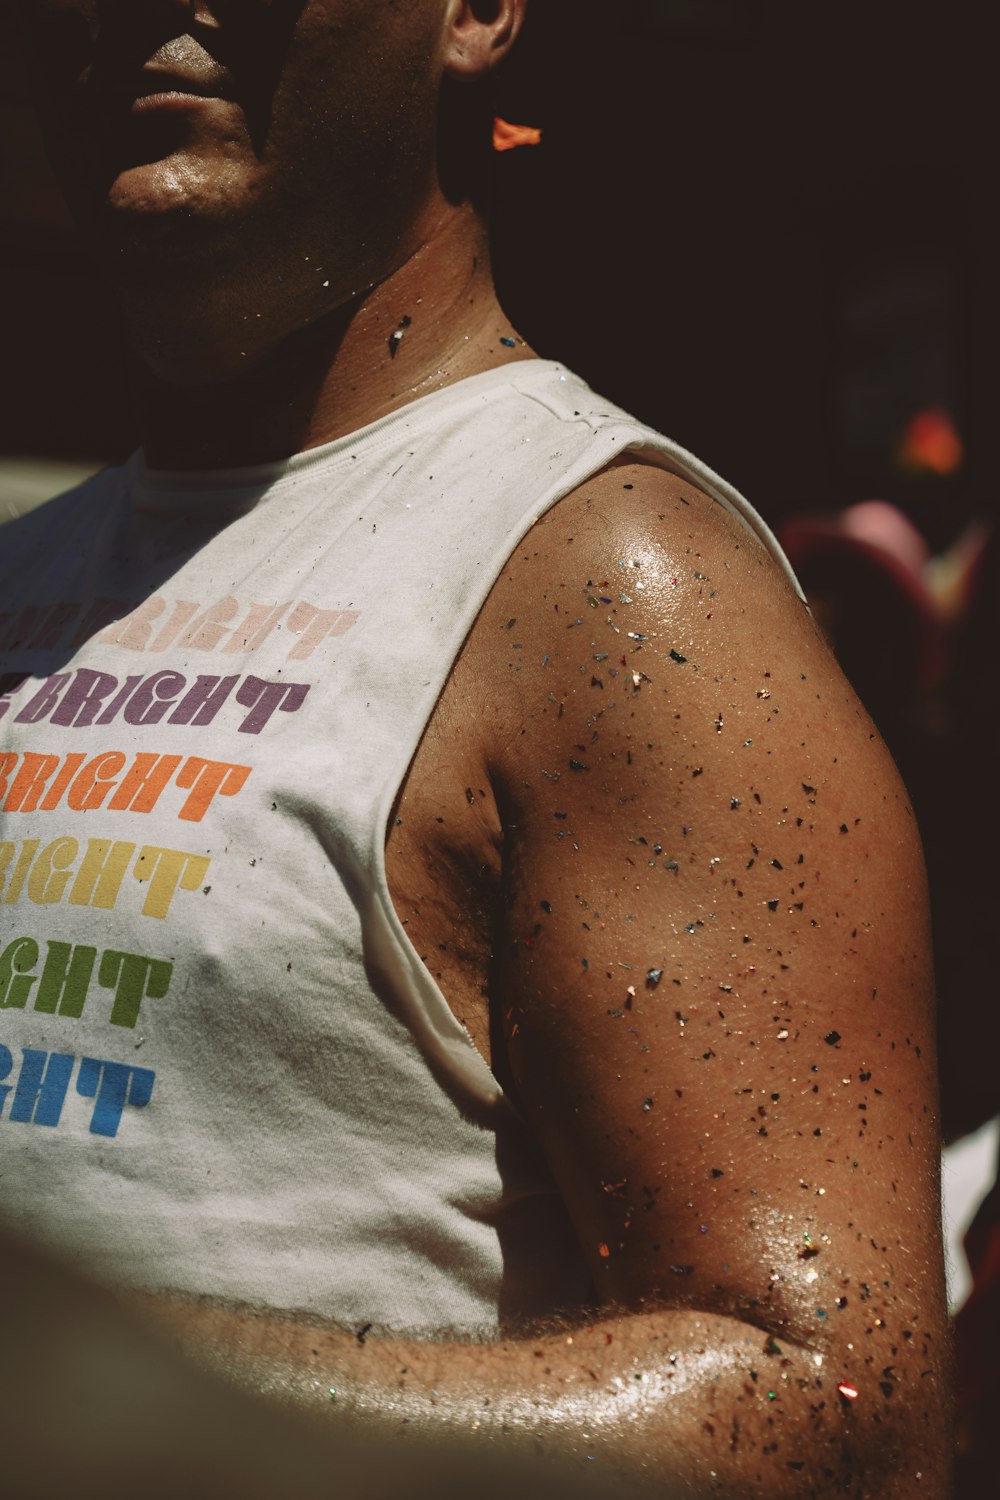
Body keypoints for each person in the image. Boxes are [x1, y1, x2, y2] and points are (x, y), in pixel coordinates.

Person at [0, 2, 949, 1493]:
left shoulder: (618, 586)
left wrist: (105, 1387)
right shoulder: (30, 575)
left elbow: (838, 1415)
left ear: (476, 15)